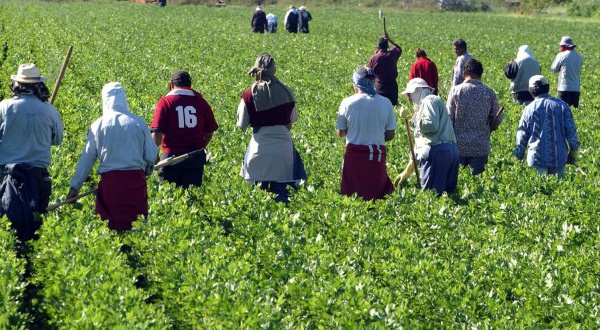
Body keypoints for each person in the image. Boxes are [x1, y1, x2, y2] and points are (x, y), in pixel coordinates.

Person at [67, 83, 157, 232]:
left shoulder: (98, 125)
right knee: (135, 227)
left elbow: (87, 159)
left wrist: (75, 187)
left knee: (110, 229)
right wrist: (148, 167)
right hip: (135, 183)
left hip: (111, 184)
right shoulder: (138, 123)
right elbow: (151, 155)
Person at [0, 63, 63, 241]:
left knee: (6, 223)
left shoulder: (4, 107)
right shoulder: (50, 111)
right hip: (37, 176)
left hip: (7, 174)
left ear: (17, 85)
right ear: (37, 86)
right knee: (35, 224)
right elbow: (57, 140)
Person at [237, 54, 307, 203]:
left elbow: (241, 124)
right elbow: (292, 119)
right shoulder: (287, 92)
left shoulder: (248, 94)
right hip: (284, 150)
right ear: (274, 69)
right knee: (282, 198)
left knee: (257, 199)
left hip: (259, 149)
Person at [336, 67, 396, 200]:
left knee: (352, 194)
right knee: (376, 193)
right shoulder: (386, 103)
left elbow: (341, 132)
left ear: (356, 84)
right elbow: (390, 134)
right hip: (376, 155)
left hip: (354, 156)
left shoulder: (347, 102)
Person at [151, 70, 218, 188]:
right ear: (189, 85)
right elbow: (210, 131)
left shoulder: (165, 102)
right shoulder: (200, 102)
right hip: (195, 158)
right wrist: (201, 147)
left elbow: (157, 134)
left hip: (170, 159)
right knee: (191, 197)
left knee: (170, 198)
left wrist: (152, 155)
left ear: (171, 85)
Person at [400, 78, 458, 196]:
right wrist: (407, 171)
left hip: (437, 153)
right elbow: (421, 142)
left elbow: (431, 125)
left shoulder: (429, 100)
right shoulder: (429, 103)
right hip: (450, 151)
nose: (410, 99)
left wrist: (413, 119)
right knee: (448, 196)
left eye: (410, 95)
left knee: (431, 197)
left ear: (417, 91)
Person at [513, 75, 580, 178]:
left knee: (539, 190)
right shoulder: (562, 106)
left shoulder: (529, 109)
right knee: (558, 191)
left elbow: (522, 134)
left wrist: (519, 155)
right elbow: (571, 131)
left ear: (531, 91)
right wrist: (573, 152)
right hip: (558, 158)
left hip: (536, 159)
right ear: (547, 87)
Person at [447, 59, 503, 175]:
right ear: (481, 74)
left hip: (459, 146)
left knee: (459, 183)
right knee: (477, 185)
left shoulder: (456, 91)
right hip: (480, 146)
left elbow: (449, 117)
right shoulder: (489, 93)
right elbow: (498, 118)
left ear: (464, 74)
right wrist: (491, 127)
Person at [367, 32, 402, 105]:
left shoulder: (374, 57)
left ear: (378, 47)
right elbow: (398, 48)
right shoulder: (392, 54)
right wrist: (389, 38)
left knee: (380, 108)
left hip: (379, 87)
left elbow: (368, 71)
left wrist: (375, 54)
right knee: (392, 108)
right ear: (387, 46)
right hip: (392, 87)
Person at [550, 36, 583, 108]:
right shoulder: (579, 56)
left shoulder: (561, 55)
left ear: (564, 46)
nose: (560, 48)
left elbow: (553, 69)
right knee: (574, 113)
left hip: (564, 89)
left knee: (562, 112)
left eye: (561, 46)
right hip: (576, 89)